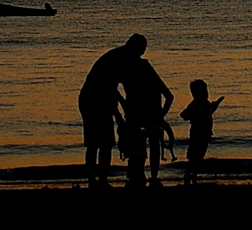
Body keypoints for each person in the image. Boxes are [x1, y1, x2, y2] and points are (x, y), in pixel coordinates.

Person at [78, 33, 147, 187]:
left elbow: (112, 86)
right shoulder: (120, 59)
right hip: (92, 100)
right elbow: (107, 88)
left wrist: (122, 103)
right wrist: (118, 115)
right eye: (140, 51)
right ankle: (95, 180)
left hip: (93, 98)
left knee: (103, 143)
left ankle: (100, 180)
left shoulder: (120, 56)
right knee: (97, 143)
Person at [121, 55, 173, 187]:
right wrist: (160, 116)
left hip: (142, 116)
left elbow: (169, 96)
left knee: (138, 146)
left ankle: (141, 176)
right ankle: (152, 176)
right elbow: (169, 96)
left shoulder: (130, 75)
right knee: (150, 145)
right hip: (147, 116)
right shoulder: (149, 75)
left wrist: (160, 116)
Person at [180, 79, 223, 184]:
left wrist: (216, 104)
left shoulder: (206, 103)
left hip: (205, 133)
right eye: (204, 92)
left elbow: (210, 111)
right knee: (193, 155)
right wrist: (192, 115)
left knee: (199, 155)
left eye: (206, 91)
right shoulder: (195, 104)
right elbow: (184, 115)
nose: (206, 94)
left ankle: (194, 174)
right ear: (195, 94)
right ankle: (189, 174)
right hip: (197, 133)